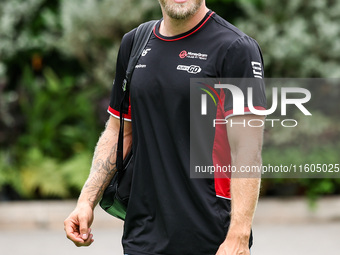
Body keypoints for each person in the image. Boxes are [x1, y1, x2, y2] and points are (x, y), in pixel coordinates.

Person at [64, 0, 266, 254]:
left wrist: (238, 234)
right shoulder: (134, 43)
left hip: (210, 238)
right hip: (142, 236)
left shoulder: (236, 48)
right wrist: (86, 202)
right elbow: (119, 131)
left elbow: (247, 148)